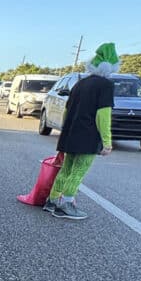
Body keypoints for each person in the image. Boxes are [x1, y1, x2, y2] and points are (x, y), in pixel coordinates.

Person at [44, 42, 118, 220]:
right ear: (111, 66)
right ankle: (66, 204)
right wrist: (107, 142)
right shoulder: (106, 85)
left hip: (71, 133)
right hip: (88, 135)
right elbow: (103, 114)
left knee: (67, 168)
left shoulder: (80, 84)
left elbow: (68, 110)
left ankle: (52, 200)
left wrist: (65, 131)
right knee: (79, 170)